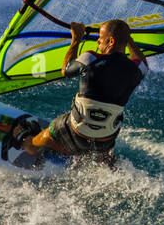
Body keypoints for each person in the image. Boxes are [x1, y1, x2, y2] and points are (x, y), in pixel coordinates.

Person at [20, 19, 148, 162]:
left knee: (53, 130)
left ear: (110, 41)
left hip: (76, 133)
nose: (98, 41)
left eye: (100, 37)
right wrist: (127, 39)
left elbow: (66, 70)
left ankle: (31, 145)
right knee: (104, 135)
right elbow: (141, 60)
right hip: (106, 140)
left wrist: (77, 38)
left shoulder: (91, 58)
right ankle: (102, 160)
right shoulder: (137, 69)